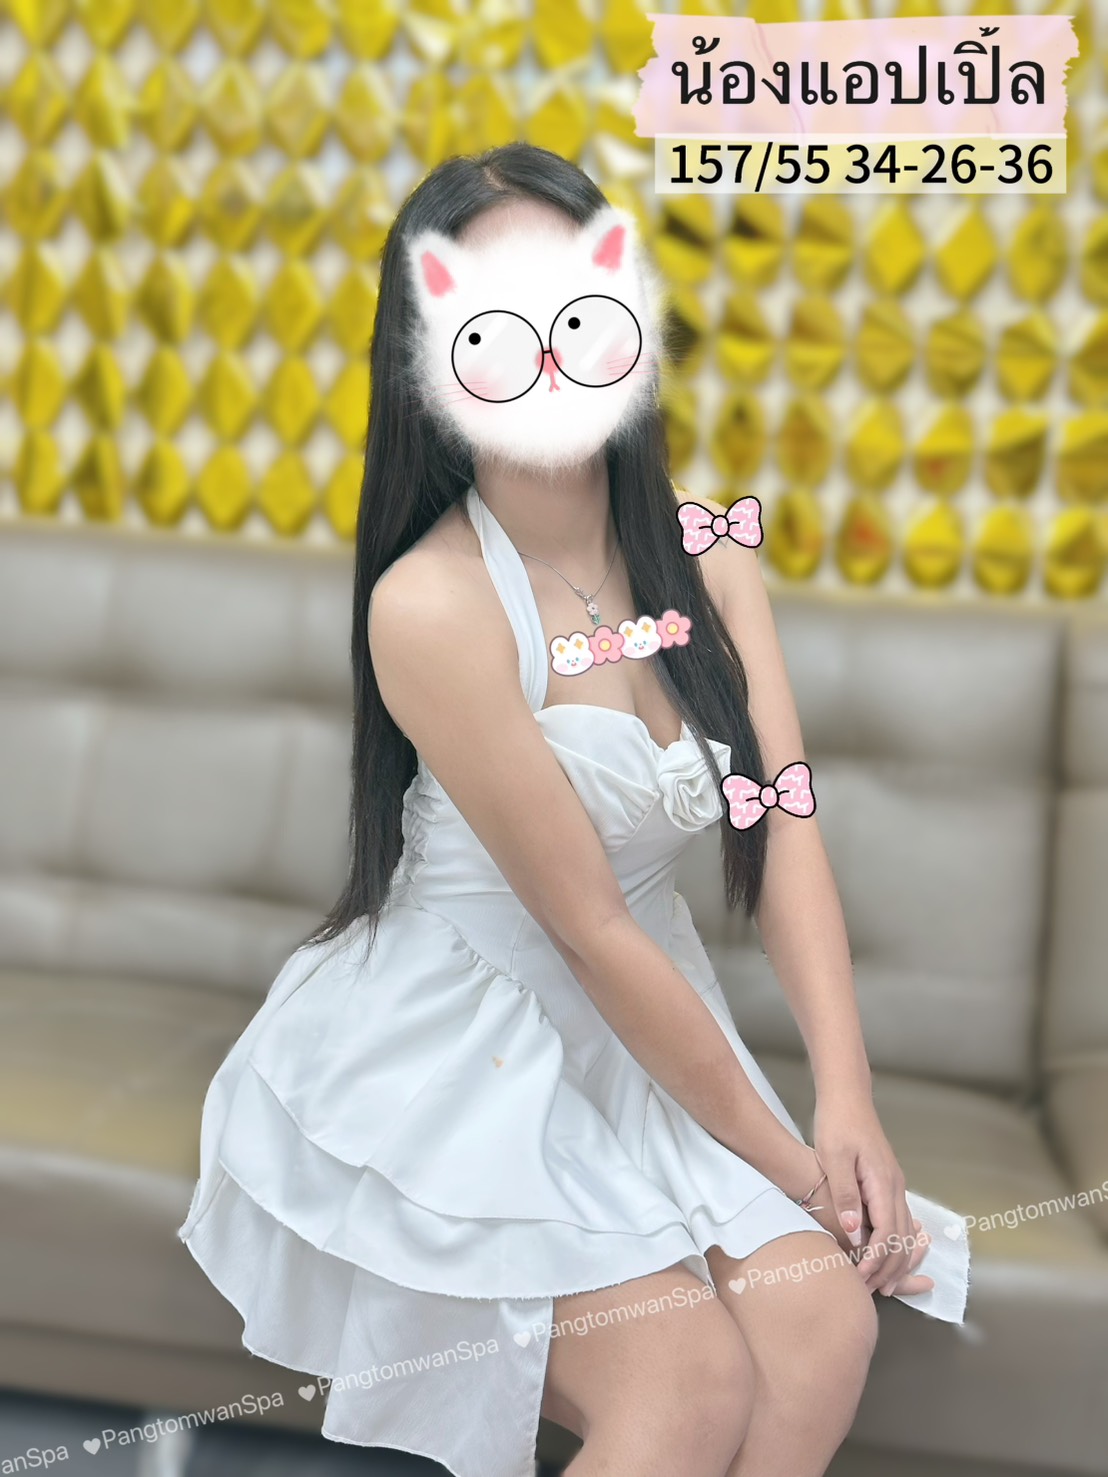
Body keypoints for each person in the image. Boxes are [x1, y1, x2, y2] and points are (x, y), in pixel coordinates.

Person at [178, 142, 969, 1477]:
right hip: (464, 1043)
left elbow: (781, 829)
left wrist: (848, 1102)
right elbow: (591, 929)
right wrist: (795, 1167)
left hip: (649, 1025)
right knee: (685, 1383)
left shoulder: (710, 554)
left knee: (825, 1330)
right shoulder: (431, 605)